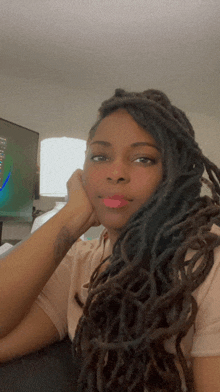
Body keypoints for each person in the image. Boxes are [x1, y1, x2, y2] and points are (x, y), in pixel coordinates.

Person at [0, 89, 220, 392]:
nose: (115, 173)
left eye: (144, 159)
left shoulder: (207, 262)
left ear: (176, 174)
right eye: (100, 156)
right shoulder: (83, 260)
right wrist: (70, 216)